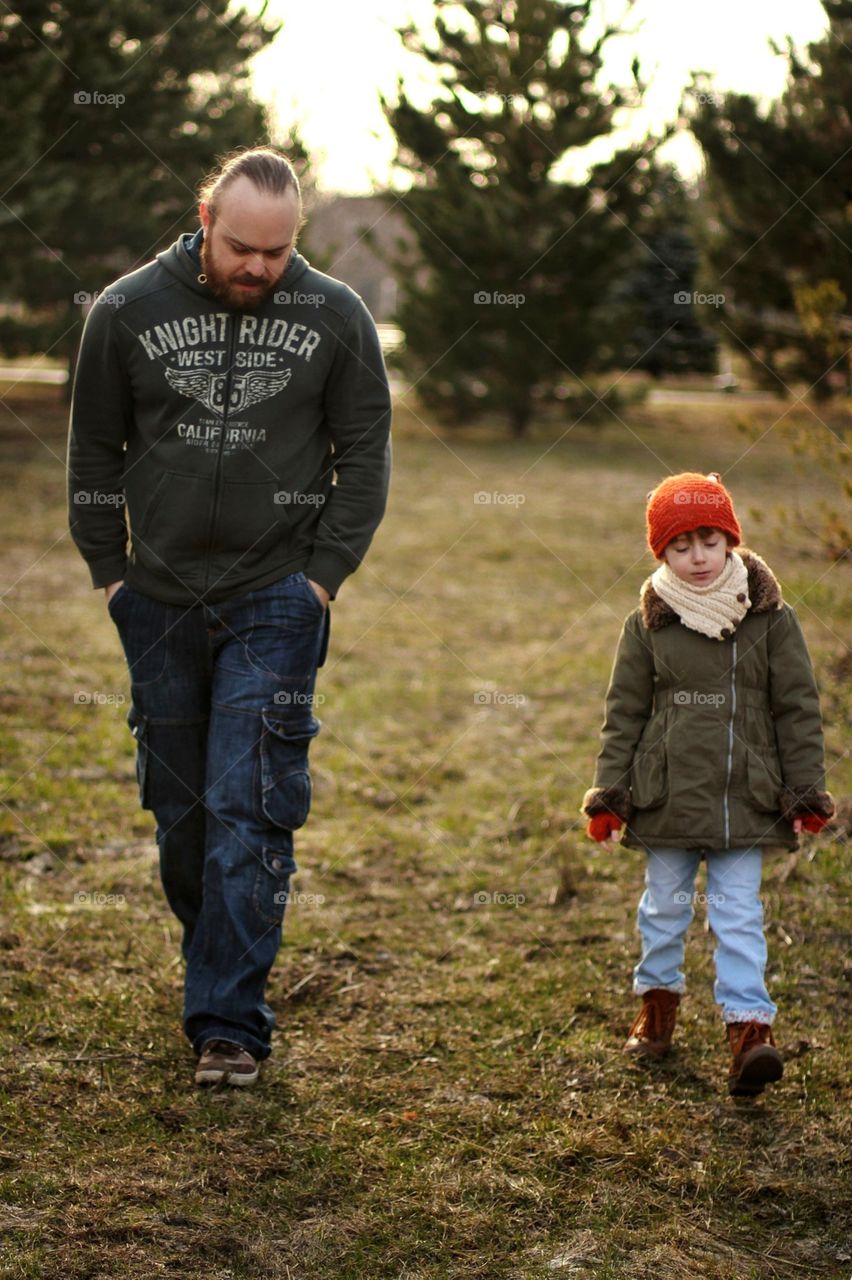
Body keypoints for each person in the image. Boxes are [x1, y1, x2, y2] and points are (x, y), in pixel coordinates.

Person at [66, 146, 392, 1087]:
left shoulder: (336, 314)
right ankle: (218, 956)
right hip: (157, 600)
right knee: (184, 818)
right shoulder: (127, 309)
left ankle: (228, 1025)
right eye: (242, 247)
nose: (258, 267)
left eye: (277, 252)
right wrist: (109, 577)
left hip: (277, 597)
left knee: (250, 807)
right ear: (206, 220)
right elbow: (92, 450)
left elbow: (365, 452)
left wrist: (322, 578)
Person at [581, 472, 834, 1097]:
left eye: (709, 541)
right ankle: (658, 1006)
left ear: (729, 541)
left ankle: (750, 1031)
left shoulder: (770, 618)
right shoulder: (648, 623)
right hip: (664, 794)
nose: (697, 558)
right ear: (661, 553)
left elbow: (796, 708)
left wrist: (804, 789)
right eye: (680, 546)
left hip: (745, 798)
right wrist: (611, 794)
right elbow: (625, 713)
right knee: (663, 909)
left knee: (738, 914)